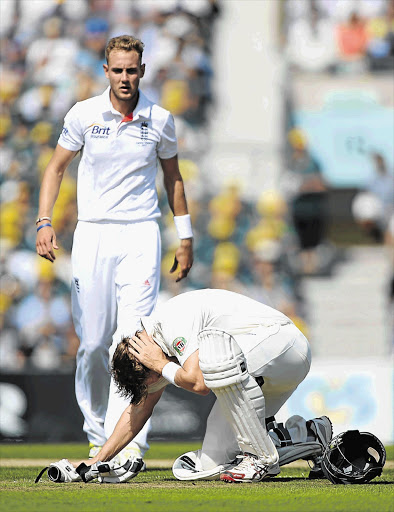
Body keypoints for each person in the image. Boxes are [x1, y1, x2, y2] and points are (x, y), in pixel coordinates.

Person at [35, 35, 194, 462]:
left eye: (132, 69)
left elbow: (173, 179)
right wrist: (44, 221)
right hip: (93, 234)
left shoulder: (159, 119)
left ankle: (129, 444)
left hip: (141, 233)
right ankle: (95, 435)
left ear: (143, 70)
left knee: (131, 341)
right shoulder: (85, 114)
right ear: (106, 71)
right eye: (118, 69)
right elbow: (55, 168)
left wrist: (186, 236)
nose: (125, 77)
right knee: (91, 343)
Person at [67, 289, 332, 484]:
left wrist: (160, 365)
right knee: (214, 461)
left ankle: (260, 458)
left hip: (282, 344)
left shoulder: (169, 324)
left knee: (217, 363)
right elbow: (137, 410)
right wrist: (99, 458)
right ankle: (307, 436)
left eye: (151, 378)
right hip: (266, 368)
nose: (155, 385)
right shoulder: (153, 355)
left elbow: (199, 383)